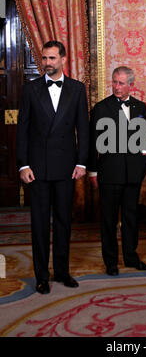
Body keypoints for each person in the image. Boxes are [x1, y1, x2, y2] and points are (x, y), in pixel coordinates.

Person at [16, 40, 89, 294]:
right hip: (37, 169)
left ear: (63, 59)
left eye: (52, 58)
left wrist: (82, 162)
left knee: (63, 222)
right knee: (38, 224)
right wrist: (23, 165)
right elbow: (22, 130)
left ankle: (62, 271)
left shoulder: (78, 89)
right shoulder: (30, 89)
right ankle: (41, 276)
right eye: (44, 58)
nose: (47, 63)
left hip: (66, 168)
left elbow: (84, 129)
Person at [89, 66, 146, 276]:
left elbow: (144, 138)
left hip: (133, 173)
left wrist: (144, 160)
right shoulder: (101, 108)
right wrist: (93, 172)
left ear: (130, 84)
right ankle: (111, 262)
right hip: (109, 172)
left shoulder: (140, 106)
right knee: (108, 219)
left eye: (121, 83)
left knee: (131, 218)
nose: (116, 86)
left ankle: (131, 258)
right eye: (114, 82)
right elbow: (91, 143)